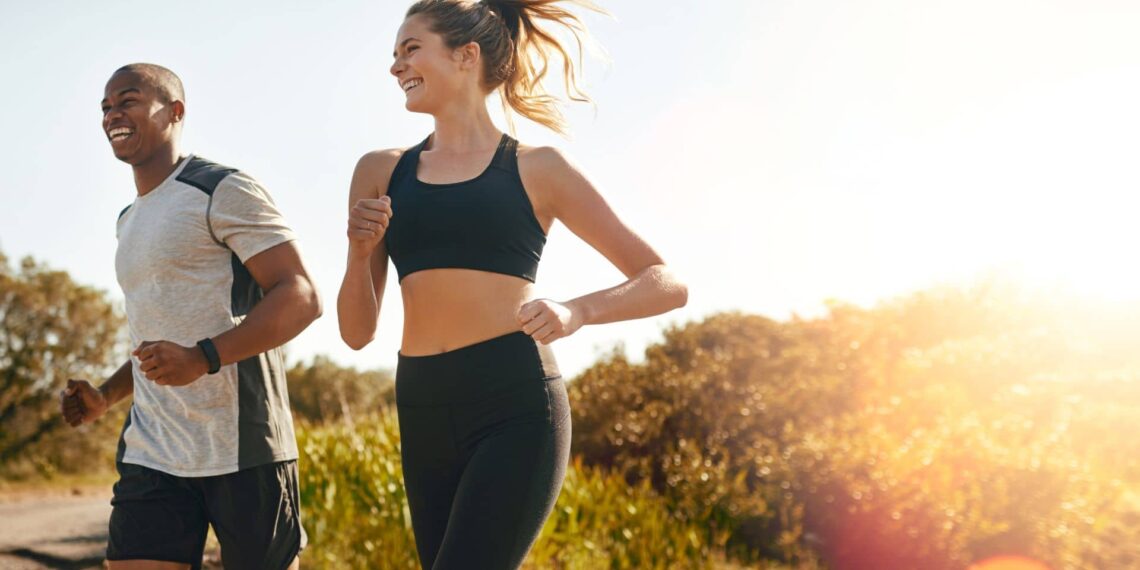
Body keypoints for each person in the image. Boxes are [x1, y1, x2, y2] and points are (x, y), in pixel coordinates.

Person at [336, 1, 688, 567]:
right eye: (394, 54)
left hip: (515, 401)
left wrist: (578, 311)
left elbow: (665, 282)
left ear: (466, 55)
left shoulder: (539, 167)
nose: (396, 66)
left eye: (410, 49)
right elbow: (355, 334)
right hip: (422, 400)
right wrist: (358, 254)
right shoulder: (380, 171)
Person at [60, 63, 321, 570]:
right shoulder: (128, 220)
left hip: (243, 446)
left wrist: (205, 358)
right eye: (106, 107)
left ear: (174, 111)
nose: (113, 113)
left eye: (128, 100)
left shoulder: (221, 188)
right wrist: (106, 397)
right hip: (153, 448)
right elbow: (156, 339)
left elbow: (301, 295)